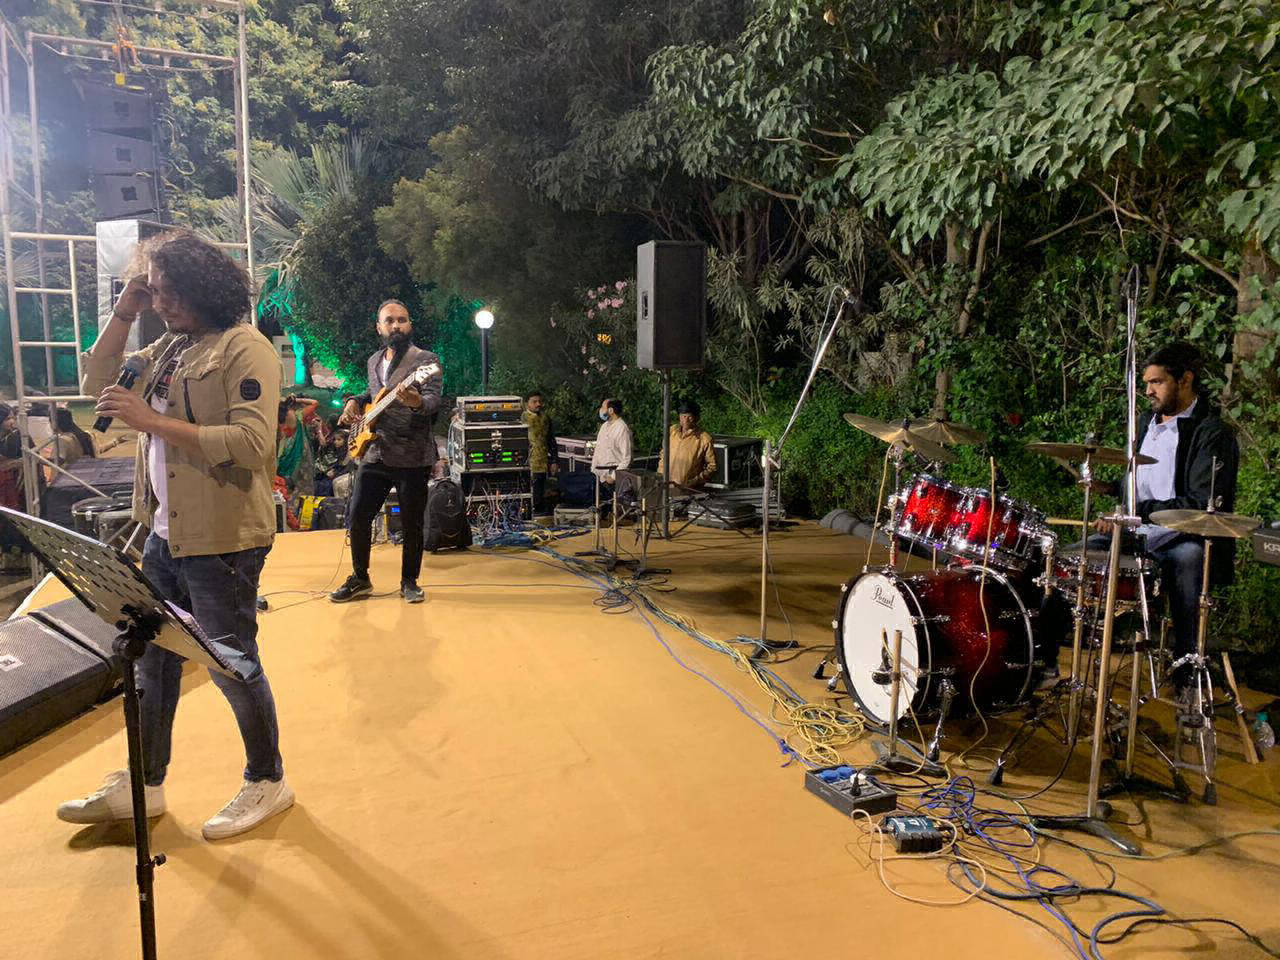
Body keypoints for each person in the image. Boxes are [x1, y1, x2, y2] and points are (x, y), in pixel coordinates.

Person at [57, 229, 293, 841]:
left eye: (167, 291)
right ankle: (146, 782)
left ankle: (267, 780)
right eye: (153, 290)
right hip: (165, 533)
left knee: (230, 662)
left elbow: (252, 444)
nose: (158, 302)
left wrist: (150, 421)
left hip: (224, 538)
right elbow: (98, 384)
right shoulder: (168, 347)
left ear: (202, 286)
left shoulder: (245, 348)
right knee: (153, 660)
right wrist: (123, 311)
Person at [1092, 341, 1239, 693]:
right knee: (1073, 558)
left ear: (1185, 380)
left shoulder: (1211, 432)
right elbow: (1142, 484)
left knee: (1189, 560)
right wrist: (1111, 490)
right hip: (1138, 531)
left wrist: (1135, 513)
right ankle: (1047, 659)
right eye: (1146, 383)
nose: (1148, 391)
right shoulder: (1147, 423)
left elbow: (1200, 502)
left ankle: (1187, 670)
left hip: (1182, 535)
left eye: (1156, 382)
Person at [330, 298, 442, 604]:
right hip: (375, 452)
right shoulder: (373, 360)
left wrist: (417, 403)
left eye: (402, 320)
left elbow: (433, 400)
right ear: (378, 327)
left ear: (410, 325)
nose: (396, 325)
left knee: (412, 523)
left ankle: (409, 581)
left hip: (412, 455)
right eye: (389, 320)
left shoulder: (425, 360)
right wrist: (354, 400)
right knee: (357, 517)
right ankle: (360, 578)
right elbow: (375, 393)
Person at [659, 399, 717, 489]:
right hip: (664, 486)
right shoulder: (672, 431)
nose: (685, 420)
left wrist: (695, 481)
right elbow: (663, 454)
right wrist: (660, 474)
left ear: (696, 418)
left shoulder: (704, 439)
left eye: (689, 417)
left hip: (687, 489)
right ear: (679, 417)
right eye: (683, 416)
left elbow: (712, 467)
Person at [590, 397, 632, 505]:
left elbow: (626, 457)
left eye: (603, 407)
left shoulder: (622, 428)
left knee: (614, 505)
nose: (601, 410)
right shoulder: (604, 426)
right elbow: (598, 449)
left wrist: (613, 477)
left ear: (611, 410)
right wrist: (593, 470)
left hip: (612, 475)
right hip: (599, 475)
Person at [521, 389, 557, 516]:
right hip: (528, 462)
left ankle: (542, 511)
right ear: (527, 403)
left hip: (543, 461)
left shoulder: (545, 418)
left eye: (540, 401)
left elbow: (551, 440)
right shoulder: (522, 418)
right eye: (534, 401)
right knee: (530, 489)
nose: (538, 404)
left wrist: (554, 460)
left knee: (543, 489)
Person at [276, 394, 319, 494]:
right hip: (301, 453)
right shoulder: (299, 415)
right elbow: (315, 403)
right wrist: (297, 400)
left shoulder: (276, 417)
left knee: (282, 483)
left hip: (283, 453)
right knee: (302, 481)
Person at [43, 407, 96, 484]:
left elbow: (58, 461)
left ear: (54, 423)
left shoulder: (62, 440)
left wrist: (39, 459)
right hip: (84, 478)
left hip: (67, 481)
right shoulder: (83, 435)